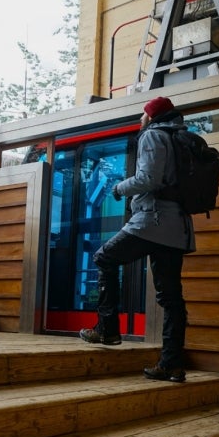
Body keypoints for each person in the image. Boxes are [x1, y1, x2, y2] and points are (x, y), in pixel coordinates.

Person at [79, 96, 196, 383]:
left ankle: (107, 330)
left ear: (152, 115)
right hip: (177, 227)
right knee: (171, 298)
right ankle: (171, 364)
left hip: (151, 221)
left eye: (143, 114)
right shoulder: (183, 137)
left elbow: (148, 179)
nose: (140, 120)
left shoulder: (153, 135)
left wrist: (119, 188)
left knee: (103, 257)